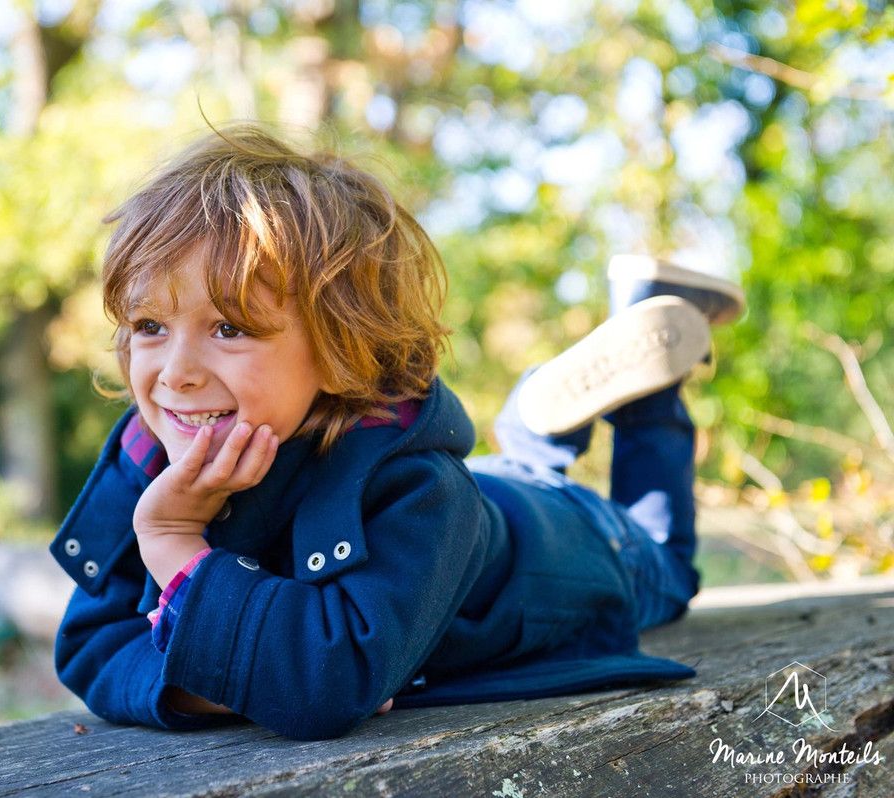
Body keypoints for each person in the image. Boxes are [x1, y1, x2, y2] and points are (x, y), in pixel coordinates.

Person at [49, 126, 745, 741]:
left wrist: (172, 544)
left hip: (566, 542)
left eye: (228, 328)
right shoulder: (149, 453)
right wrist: (220, 683)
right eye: (149, 327)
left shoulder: (416, 488)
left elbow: (324, 684)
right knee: (507, 472)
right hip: (486, 499)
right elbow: (90, 646)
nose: (176, 374)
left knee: (668, 566)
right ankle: (532, 423)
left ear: (339, 346)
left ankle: (643, 375)